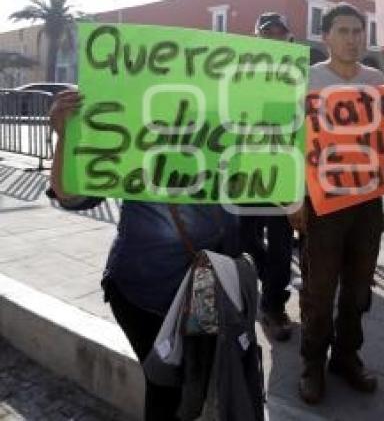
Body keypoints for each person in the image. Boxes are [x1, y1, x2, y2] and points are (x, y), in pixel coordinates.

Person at [48, 90, 242, 421]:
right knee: (165, 387)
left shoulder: (229, 136)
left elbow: (272, 192)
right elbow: (70, 194)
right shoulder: (133, 136)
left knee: (192, 384)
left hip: (206, 289)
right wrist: (65, 135)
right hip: (144, 293)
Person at [287, 3, 384, 405]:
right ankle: (313, 362)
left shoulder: (378, 80)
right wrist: (293, 202)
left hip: (367, 202)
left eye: (358, 31)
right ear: (326, 36)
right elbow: (291, 143)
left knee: (358, 287)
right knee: (319, 288)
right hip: (321, 203)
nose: (352, 38)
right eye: (343, 31)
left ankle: (347, 356)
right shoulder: (306, 81)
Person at [239, 12, 297, 341]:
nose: (274, 36)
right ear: (257, 36)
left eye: (280, 32)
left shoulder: (299, 72)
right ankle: (269, 280)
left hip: (283, 172)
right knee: (243, 238)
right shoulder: (242, 70)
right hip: (246, 170)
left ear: (288, 37)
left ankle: (274, 306)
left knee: (280, 246)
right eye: (268, 32)